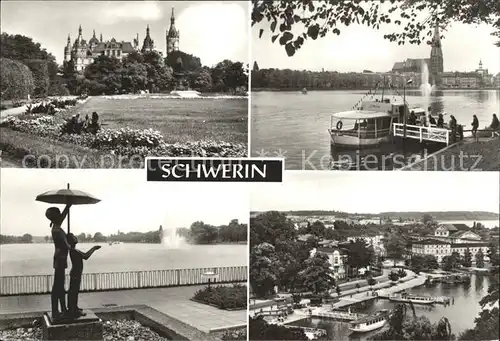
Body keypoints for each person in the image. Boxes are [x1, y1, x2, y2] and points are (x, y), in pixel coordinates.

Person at [46, 205, 72, 320]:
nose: (61, 215)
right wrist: (70, 241)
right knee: (58, 287)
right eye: (59, 213)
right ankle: (56, 311)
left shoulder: (56, 226)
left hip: (60, 259)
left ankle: (62, 308)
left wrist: (68, 205)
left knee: (60, 286)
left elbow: (63, 216)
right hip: (60, 259)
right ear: (55, 216)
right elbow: (67, 246)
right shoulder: (57, 230)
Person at [67, 233, 101, 317]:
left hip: (75, 273)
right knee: (74, 291)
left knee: (74, 291)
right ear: (72, 241)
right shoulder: (74, 250)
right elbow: (86, 256)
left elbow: (84, 255)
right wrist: (94, 248)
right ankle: (73, 310)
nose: (76, 237)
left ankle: (74, 307)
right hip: (76, 273)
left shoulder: (74, 250)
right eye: (74, 237)